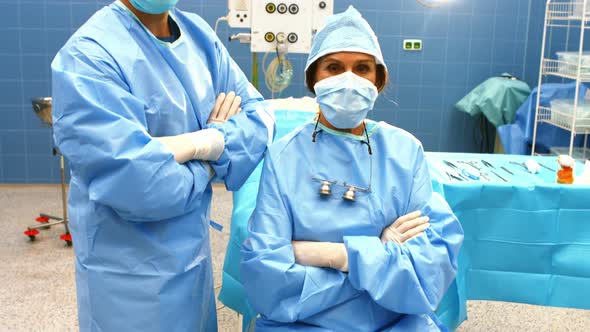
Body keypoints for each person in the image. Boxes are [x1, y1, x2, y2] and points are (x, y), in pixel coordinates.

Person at [51, 0, 274, 330]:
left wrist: (193, 146)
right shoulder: (89, 57)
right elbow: (142, 186)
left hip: (192, 265)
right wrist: (213, 150)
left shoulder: (200, 38)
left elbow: (260, 121)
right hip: (125, 278)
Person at [241, 6, 463, 331]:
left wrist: (339, 256)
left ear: (379, 79)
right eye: (334, 67)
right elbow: (267, 279)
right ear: (313, 78)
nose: (349, 80)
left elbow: (427, 273)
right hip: (304, 325)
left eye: (362, 68)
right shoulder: (284, 157)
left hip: (395, 322)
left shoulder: (404, 152)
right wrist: (378, 261)